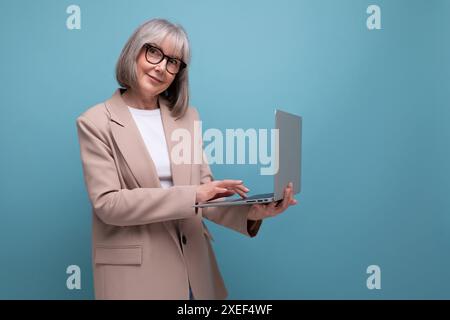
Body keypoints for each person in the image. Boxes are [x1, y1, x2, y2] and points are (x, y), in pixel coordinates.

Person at [76, 18, 297, 300]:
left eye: (173, 62)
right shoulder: (95, 122)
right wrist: (194, 194)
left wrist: (253, 213)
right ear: (134, 51)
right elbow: (109, 204)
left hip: (195, 272)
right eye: (153, 52)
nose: (161, 67)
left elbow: (204, 193)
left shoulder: (186, 117)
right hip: (136, 279)